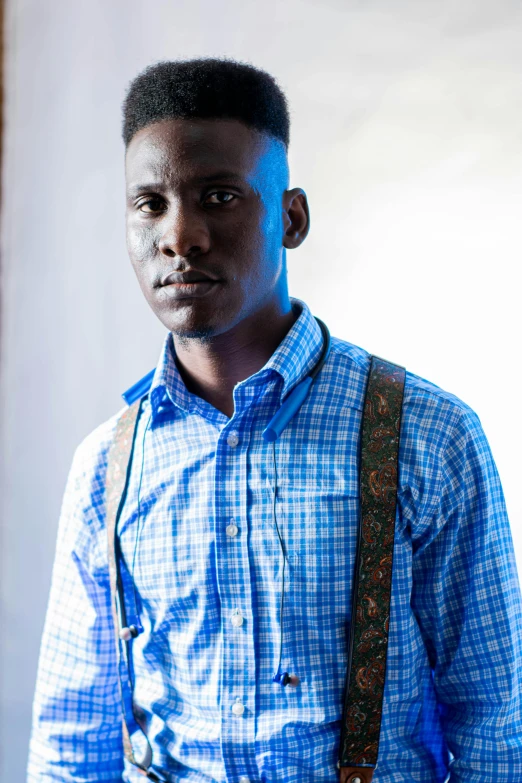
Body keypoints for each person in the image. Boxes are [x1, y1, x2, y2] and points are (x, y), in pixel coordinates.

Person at [27, 58, 522, 783]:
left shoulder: (428, 437)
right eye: (149, 204)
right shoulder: (106, 467)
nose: (181, 235)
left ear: (291, 217)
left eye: (219, 195)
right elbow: (73, 741)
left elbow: (495, 727)